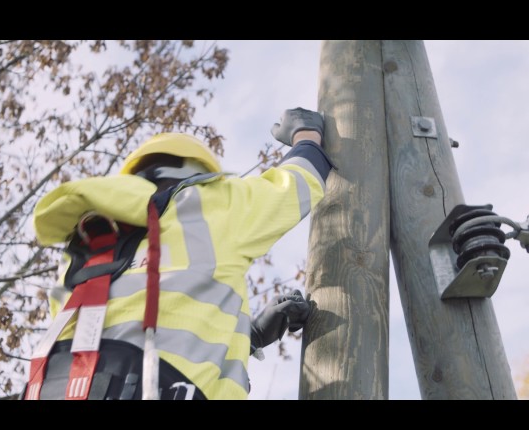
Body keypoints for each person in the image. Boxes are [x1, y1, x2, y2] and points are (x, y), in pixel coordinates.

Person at [22, 107, 334, 400]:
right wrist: (306, 135)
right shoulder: (206, 204)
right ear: (198, 172)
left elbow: (115, 334)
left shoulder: (84, 245)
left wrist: (245, 338)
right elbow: (298, 182)